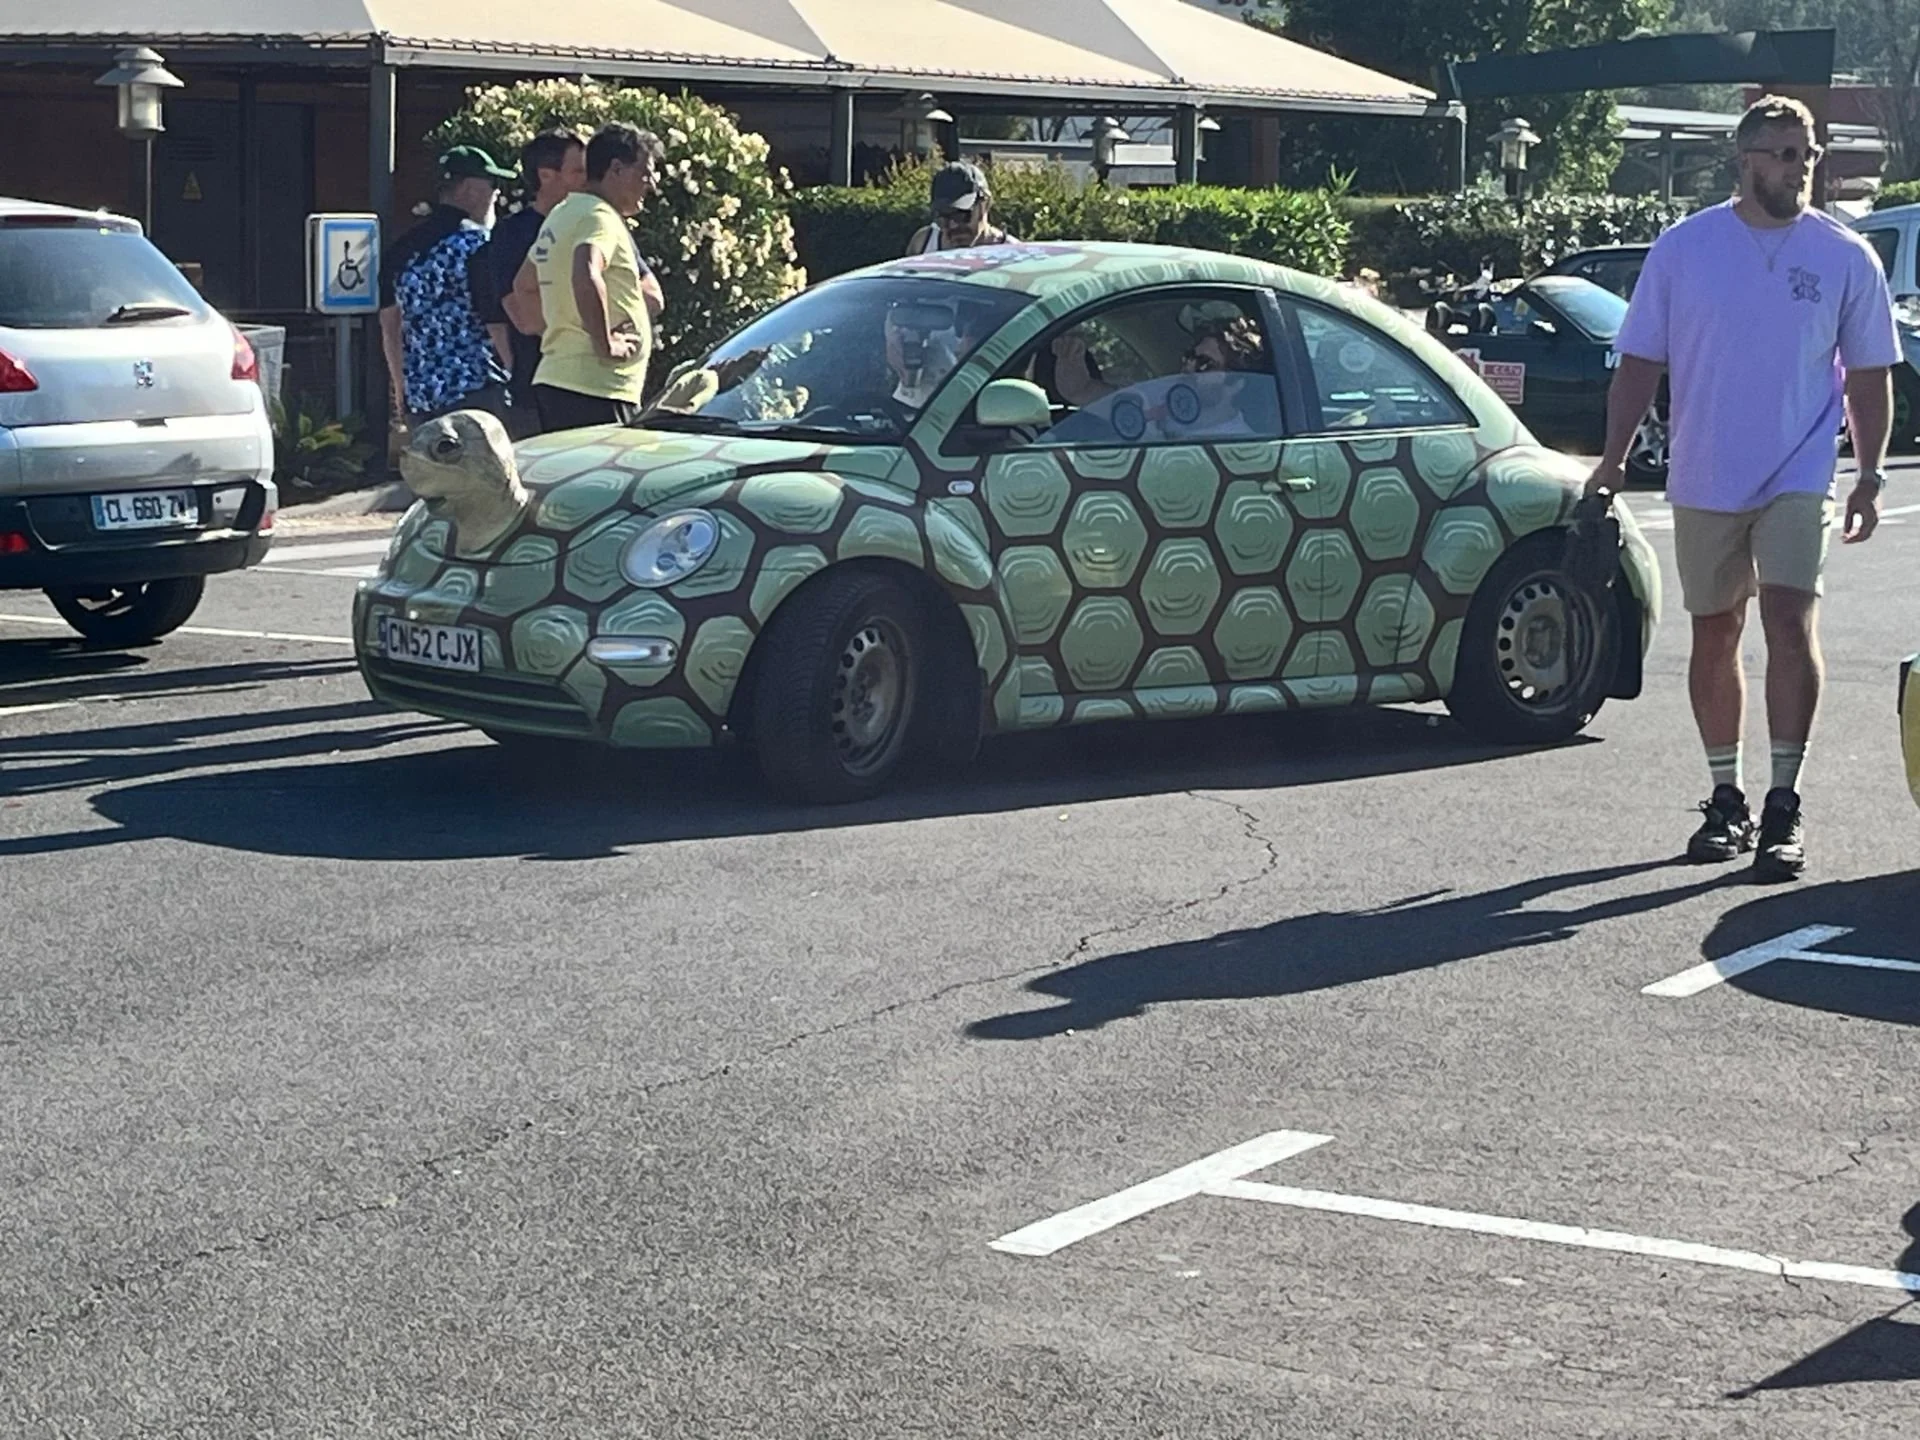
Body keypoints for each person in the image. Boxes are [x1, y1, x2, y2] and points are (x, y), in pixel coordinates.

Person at [1587, 94, 1898, 882]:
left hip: (1799, 471)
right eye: (1784, 154)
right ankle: (1726, 798)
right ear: (1745, 159)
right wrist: (1612, 459)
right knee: (1716, 630)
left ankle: (1784, 802)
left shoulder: (1845, 255)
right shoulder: (1685, 249)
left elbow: (1869, 377)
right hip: (1705, 471)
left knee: (1789, 621)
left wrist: (1868, 474)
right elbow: (1639, 364)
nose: (1800, 169)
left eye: (1809, 154)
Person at [506, 122, 666, 432]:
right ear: (616, 169)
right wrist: (605, 344)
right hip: (597, 389)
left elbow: (523, 285)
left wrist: (564, 333)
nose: (651, 185)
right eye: (645, 174)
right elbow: (587, 271)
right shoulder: (599, 216)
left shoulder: (562, 214)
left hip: (559, 378)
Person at [378, 144, 518, 429]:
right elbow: (495, 321)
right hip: (480, 394)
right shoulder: (479, 245)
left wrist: (401, 389)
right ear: (469, 189)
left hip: (423, 401)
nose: (497, 193)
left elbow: (390, 326)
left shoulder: (400, 251)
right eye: (493, 184)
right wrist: (516, 375)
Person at [484, 129, 587, 436]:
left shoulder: (593, 224)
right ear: (546, 175)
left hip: (593, 384)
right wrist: (587, 333)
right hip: (537, 388)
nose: (588, 180)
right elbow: (518, 311)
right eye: (578, 171)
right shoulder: (512, 235)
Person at [904, 162, 1016, 255]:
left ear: (985, 204)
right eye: (943, 218)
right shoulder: (923, 245)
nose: (953, 225)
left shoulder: (1012, 255)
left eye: (961, 215)